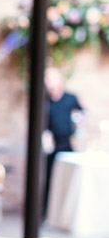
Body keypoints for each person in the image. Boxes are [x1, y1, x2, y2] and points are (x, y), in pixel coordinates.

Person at [43, 67, 83, 217]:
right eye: (46, 79)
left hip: (68, 143)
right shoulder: (44, 100)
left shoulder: (70, 98)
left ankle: (66, 214)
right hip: (51, 145)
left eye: (50, 78)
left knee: (68, 178)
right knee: (49, 179)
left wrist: (78, 123)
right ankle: (47, 213)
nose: (48, 82)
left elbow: (82, 114)